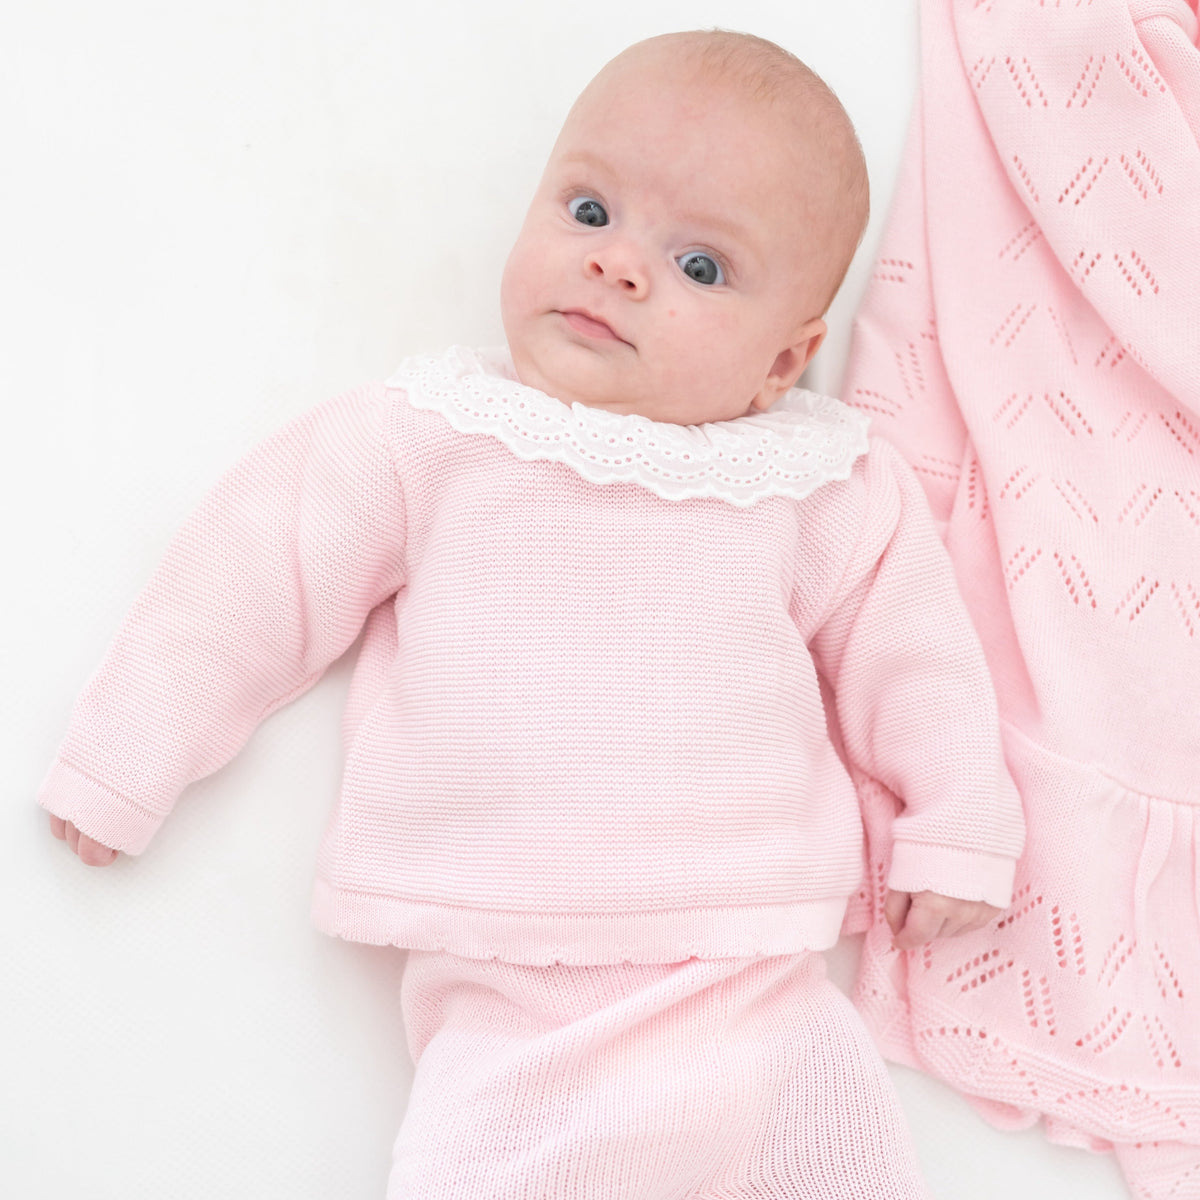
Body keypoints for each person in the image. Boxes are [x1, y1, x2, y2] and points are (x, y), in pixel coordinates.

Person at [40, 30, 1024, 1200]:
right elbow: (257, 573)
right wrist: (127, 755)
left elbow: (915, 656)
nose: (618, 267)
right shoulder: (438, 435)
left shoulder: (812, 481)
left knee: (828, 1160)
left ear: (783, 364)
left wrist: (958, 820)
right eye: (590, 208)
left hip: (753, 970)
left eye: (701, 267)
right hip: (511, 982)